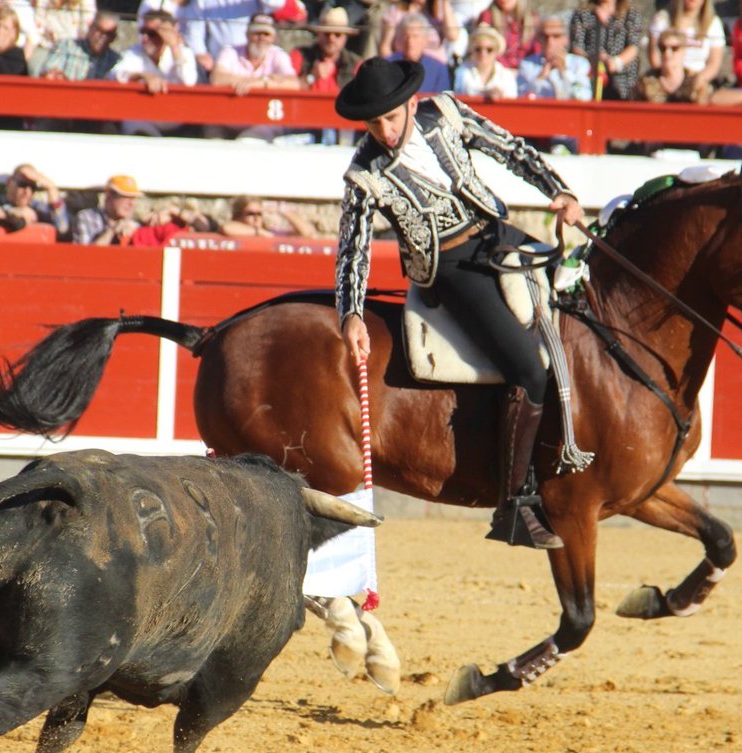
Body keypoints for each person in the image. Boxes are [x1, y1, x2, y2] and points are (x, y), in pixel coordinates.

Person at [332, 58, 583, 549]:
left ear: (411, 103)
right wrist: (352, 313)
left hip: (497, 236)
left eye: (390, 117)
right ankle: (515, 506)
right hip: (451, 269)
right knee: (528, 370)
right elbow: (352, 249)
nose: (384, 131)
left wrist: (559, 190)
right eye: (374, 123)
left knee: (578, 306)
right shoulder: (364, 173)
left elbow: (510, 149)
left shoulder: (445, 113)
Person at [0, 163, 70, 236]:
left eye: (32, 187)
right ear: (9, 183)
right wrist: (8, 214)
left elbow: (62, 228)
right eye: (22, 185)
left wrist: (51, 188)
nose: (27, 191)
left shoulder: (37, 208)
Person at [210, 13, 301, 96]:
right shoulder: (230, 52)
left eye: (266, 34)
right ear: (247, 35)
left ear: (273, 38)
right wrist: (270, 80)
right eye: (256, 33)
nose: (261, 38)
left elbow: (293, 83)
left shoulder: (279, 55)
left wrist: (260, 83)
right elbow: (216, 79)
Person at [568, 0, 643, 101]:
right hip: (592, 76)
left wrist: (615, 62)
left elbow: (633, 46)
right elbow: (576, 46)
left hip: (622, 82)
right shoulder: (582, 14)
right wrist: (592, 60)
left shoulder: (631, 14)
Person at [645, 0, 725, 90]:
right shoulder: (662, 19)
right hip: (665, 79)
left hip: (697, 83)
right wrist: (671, 79)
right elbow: (654, 58)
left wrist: (696, 81)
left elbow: (714, 63)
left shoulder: (713, 23)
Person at [517, 14, 592, 100]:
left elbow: (584, 97)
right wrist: (540, 78)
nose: (550, 41)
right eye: (545, 36)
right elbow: (520, 97)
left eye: (556, 36)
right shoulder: (527, 64)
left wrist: (565, 72)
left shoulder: (579, 63)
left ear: (566, 38)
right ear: (539, 38)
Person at [290, 6, 361, 93]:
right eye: (327, 34)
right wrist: (312, 77)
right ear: (318, 34)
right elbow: (285, 88)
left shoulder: (355, 65)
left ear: (345, 37)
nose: (331, 39)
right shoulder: (300, 56)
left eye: (337, 34)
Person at [635, 28, 712, 104]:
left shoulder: (697, 84)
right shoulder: (645, 84)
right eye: (663, 48)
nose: (667, 54)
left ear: (683, 51)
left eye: (674, 48)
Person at [38, 10, 121, 80]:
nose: (103, 37)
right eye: (100, 31)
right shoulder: (66, 46)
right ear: (91, 27)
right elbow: (47, 74)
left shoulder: (115, 61)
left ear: (114, 37)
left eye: (108, 34)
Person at [386, 12, 451, 94]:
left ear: (425, 39)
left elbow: (443, 98)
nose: (410, 42)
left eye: (415, 36)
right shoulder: (388, 66)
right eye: (406, 36)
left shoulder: (438, 69)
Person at [377, 0, 459, 64]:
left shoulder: (438, 11)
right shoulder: (396, 12)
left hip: (434, 68)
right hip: (404, 65)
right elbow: (385, 48)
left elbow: (453, 35)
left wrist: (445, 3)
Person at [72, 174, 145, 245]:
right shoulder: (88, 218)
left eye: (134, 198)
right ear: (109, 196)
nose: (131, 203)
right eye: (125, 197)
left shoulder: (135, 225)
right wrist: (112, 231)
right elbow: (86, 252)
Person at [454, 24, 518, 100]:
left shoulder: (507, 76)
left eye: (489, 50)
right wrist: (487, 94)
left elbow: (511, 102)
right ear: (471, 50)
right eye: (478, 49)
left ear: (496, 51)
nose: (483, 54)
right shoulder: (462, 72)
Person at [480, 0, 538, 71]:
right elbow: (485, 47)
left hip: (526, 70)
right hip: (498, 69)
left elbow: (536, 50)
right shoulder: (487, 16)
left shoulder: (532, 18)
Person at [220, 196, 316, 237]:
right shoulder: (235, 231)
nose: (256, 218)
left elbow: (307, 232)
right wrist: (258, 232)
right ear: (239, 216)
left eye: (259, 214)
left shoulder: (270, 233)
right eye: (251, 214)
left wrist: (282, 210)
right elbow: (227, 228)